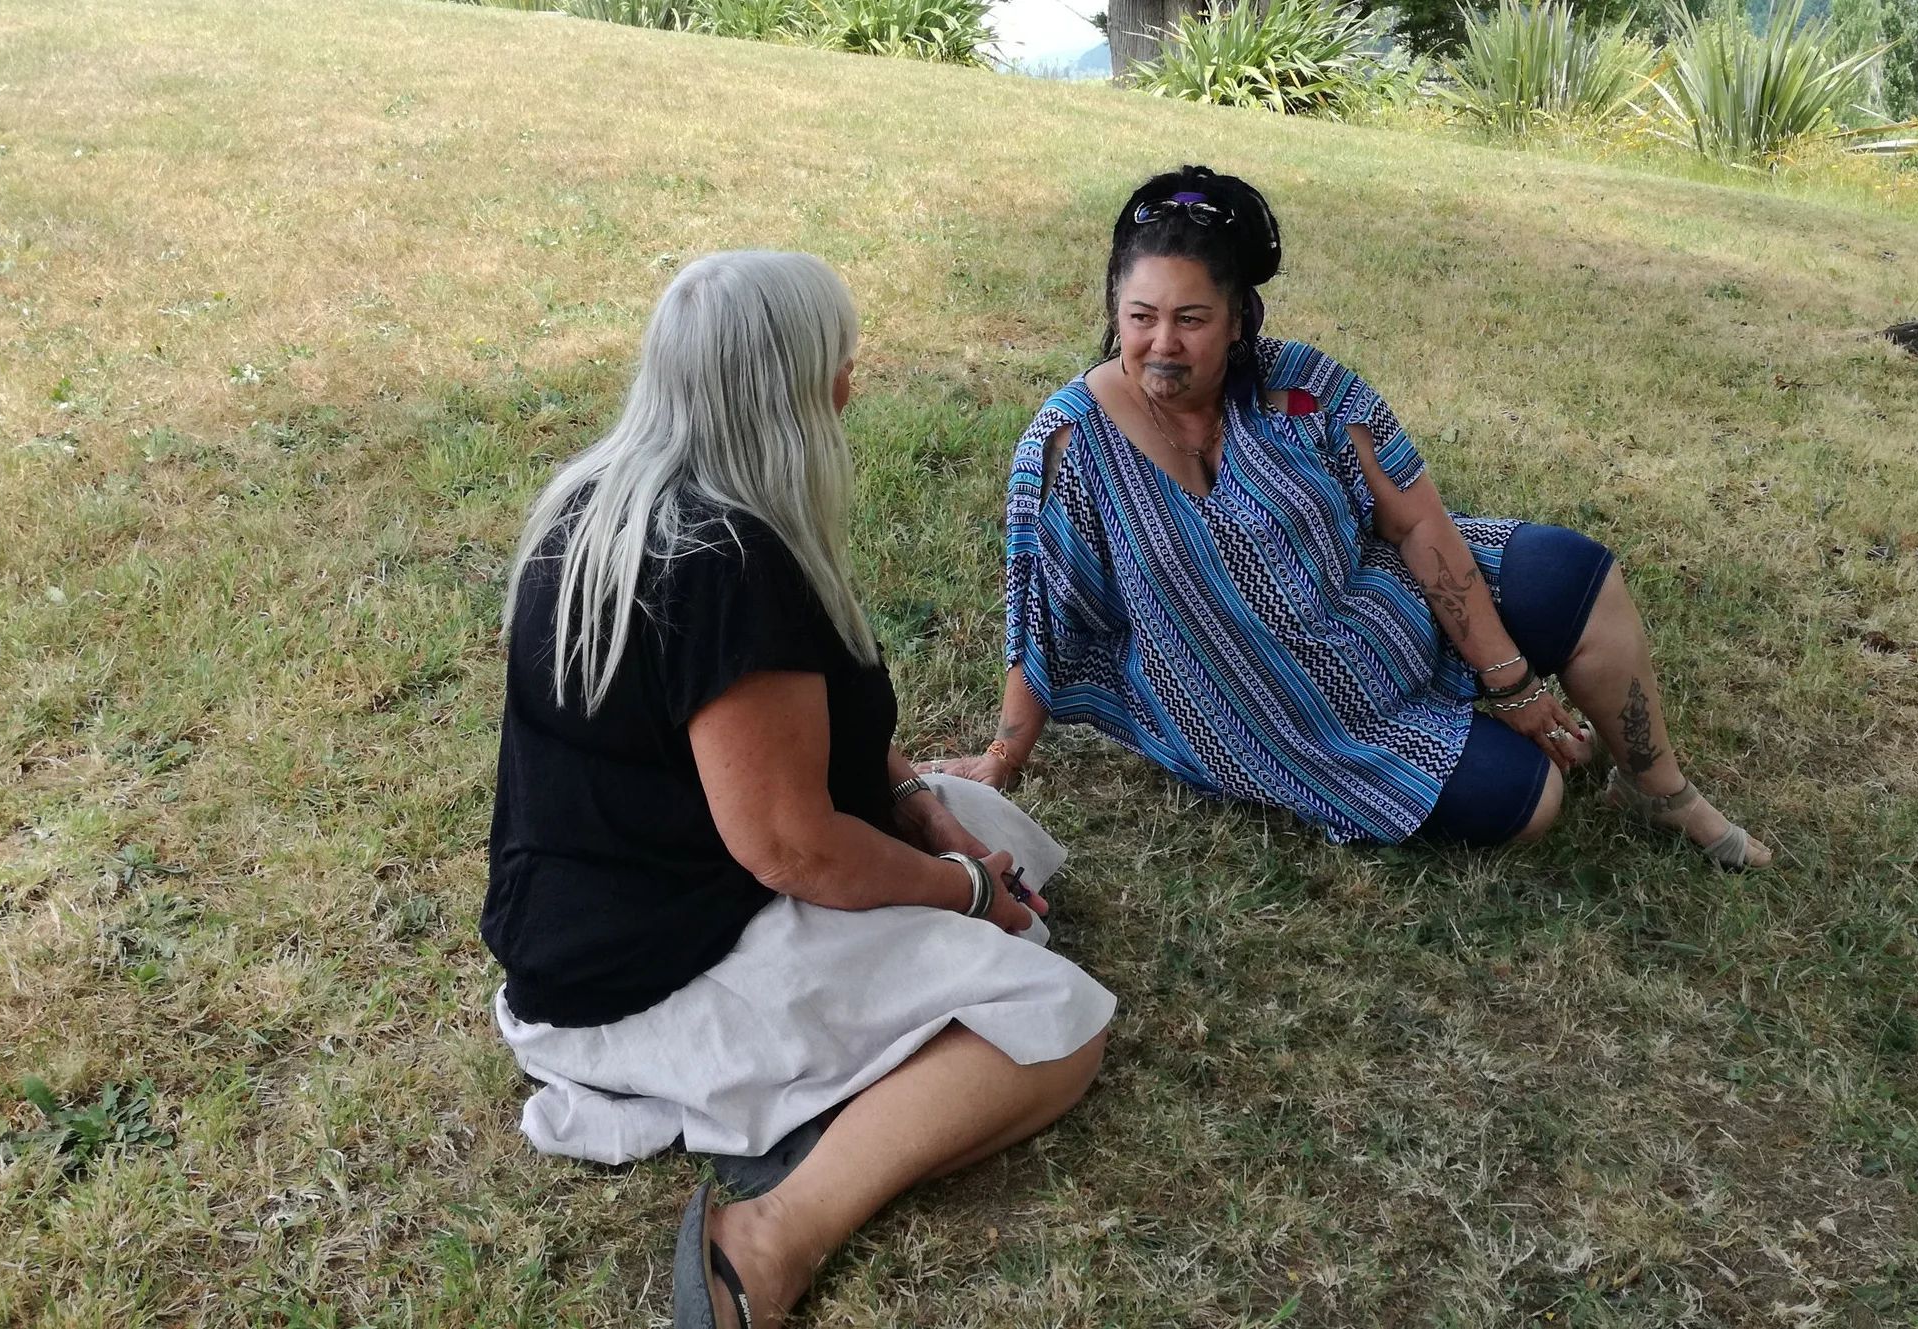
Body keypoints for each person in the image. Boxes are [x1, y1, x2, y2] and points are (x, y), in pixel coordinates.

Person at [480, 251, 1115, 1328]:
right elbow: (793, 848)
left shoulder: (607, 499)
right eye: (838, 364)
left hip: (611, 906)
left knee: (1007, 835)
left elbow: (807, 749)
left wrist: (920, 804)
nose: (849, 388)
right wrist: (960, 892)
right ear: (788, 388)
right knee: (1055, 1022)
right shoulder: (724, 564)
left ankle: (848, 1071)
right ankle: (770, 1237)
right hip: (653, 969)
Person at [928, 167, 1770, 868]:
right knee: (1529, 799)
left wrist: (1509, 679)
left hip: (1380, 607)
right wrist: (1005, 754)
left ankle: (1660, 790)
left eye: (1191, 319)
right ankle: (1449, 739)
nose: (1162, 344)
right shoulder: (1070, 441)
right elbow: (1044, 608)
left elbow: (1418, 526)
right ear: (1115, 309)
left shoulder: (1303, 388)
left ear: (1237, 318)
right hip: (1267, 711)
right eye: (1140, 317)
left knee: (1572, 573)